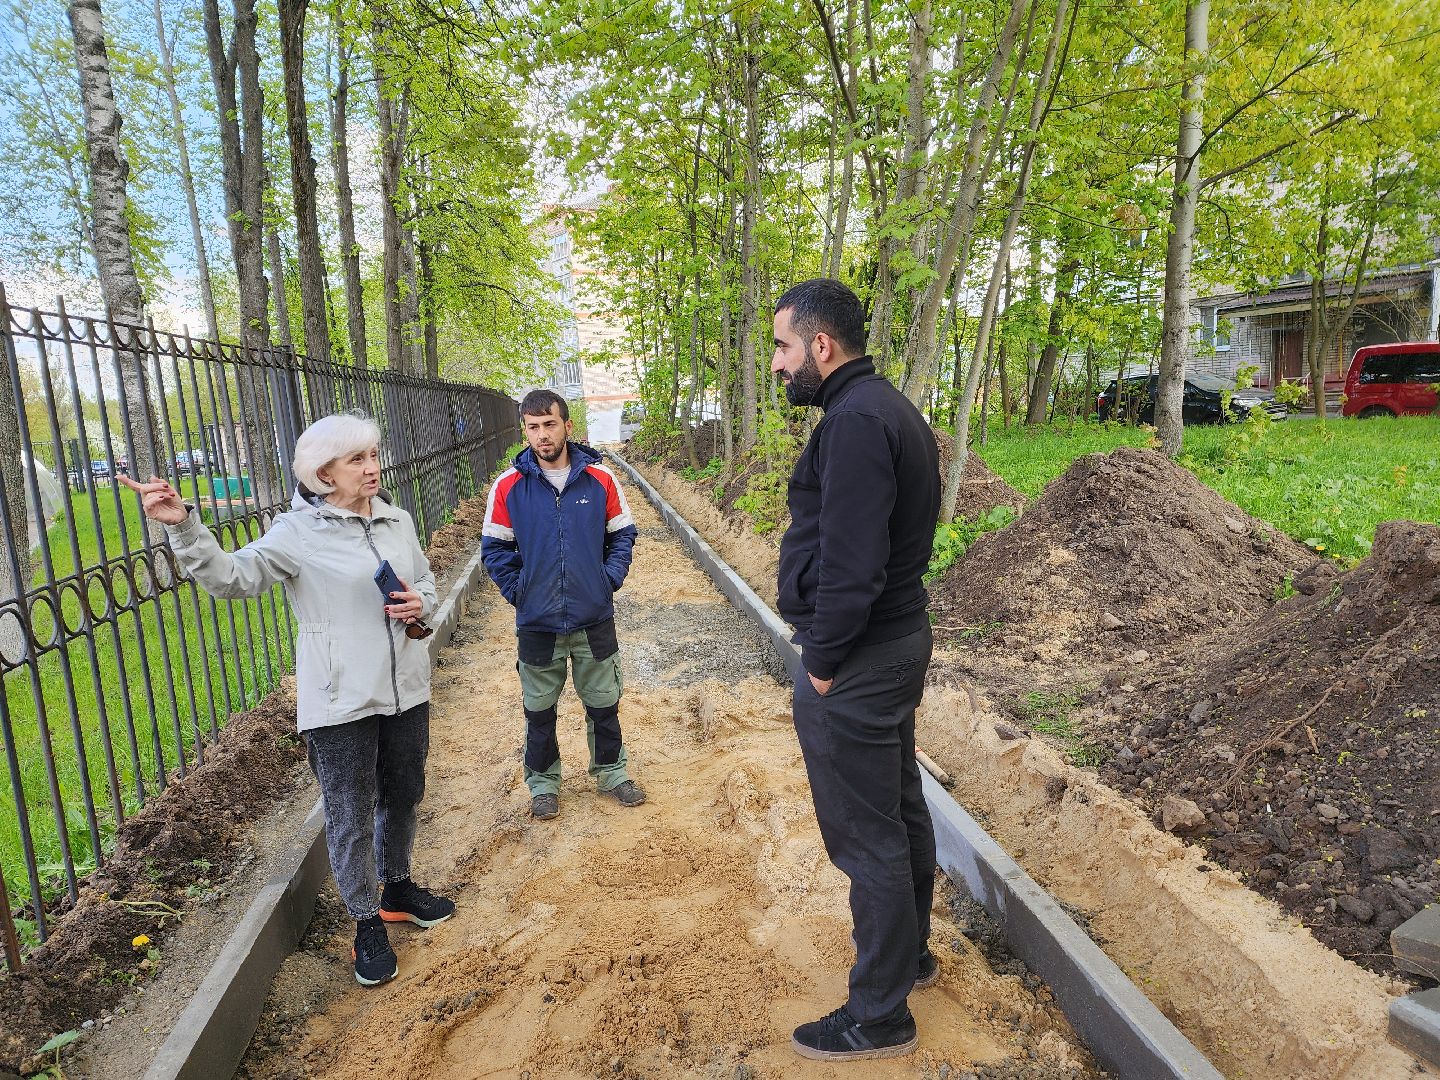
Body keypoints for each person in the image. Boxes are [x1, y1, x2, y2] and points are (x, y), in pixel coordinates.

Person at [119, 412, 455, 989]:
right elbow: (231, 578)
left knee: (404, 793)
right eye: (358, 460)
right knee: (349, 813)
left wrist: (421, 603)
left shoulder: (397, 519)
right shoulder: (296, 533)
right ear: (324, 472)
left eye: (374, 455)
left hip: (407, 689)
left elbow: (424, 580)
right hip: (341, 700)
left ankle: (396, 885)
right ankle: (364, 919)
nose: (373, 468)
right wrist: (185, 529)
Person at [771, 279, 941, 1061]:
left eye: (783, 347)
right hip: (892, 642)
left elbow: (851, 560)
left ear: (821, 346)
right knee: (898, 810)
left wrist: (826, 661)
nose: (778, 364)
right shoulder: (880, 409)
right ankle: (908, 960)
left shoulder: (857, 422)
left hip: (862, 656)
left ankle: (879, 1013)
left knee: (865, 834)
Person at [481, 389, 645, 820]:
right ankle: (543, 784)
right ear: (525, 432)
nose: (542, 435)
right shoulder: (509, 487)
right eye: (532, 428)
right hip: (537, 623)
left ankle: (612, 773)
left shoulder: (601, 480)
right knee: (538, 709)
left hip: (593, 617)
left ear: (568, 426)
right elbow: (495, 550)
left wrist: (605, 581)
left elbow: (622, 535)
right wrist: (522, 592)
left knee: (604, 702)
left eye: (549, 425)